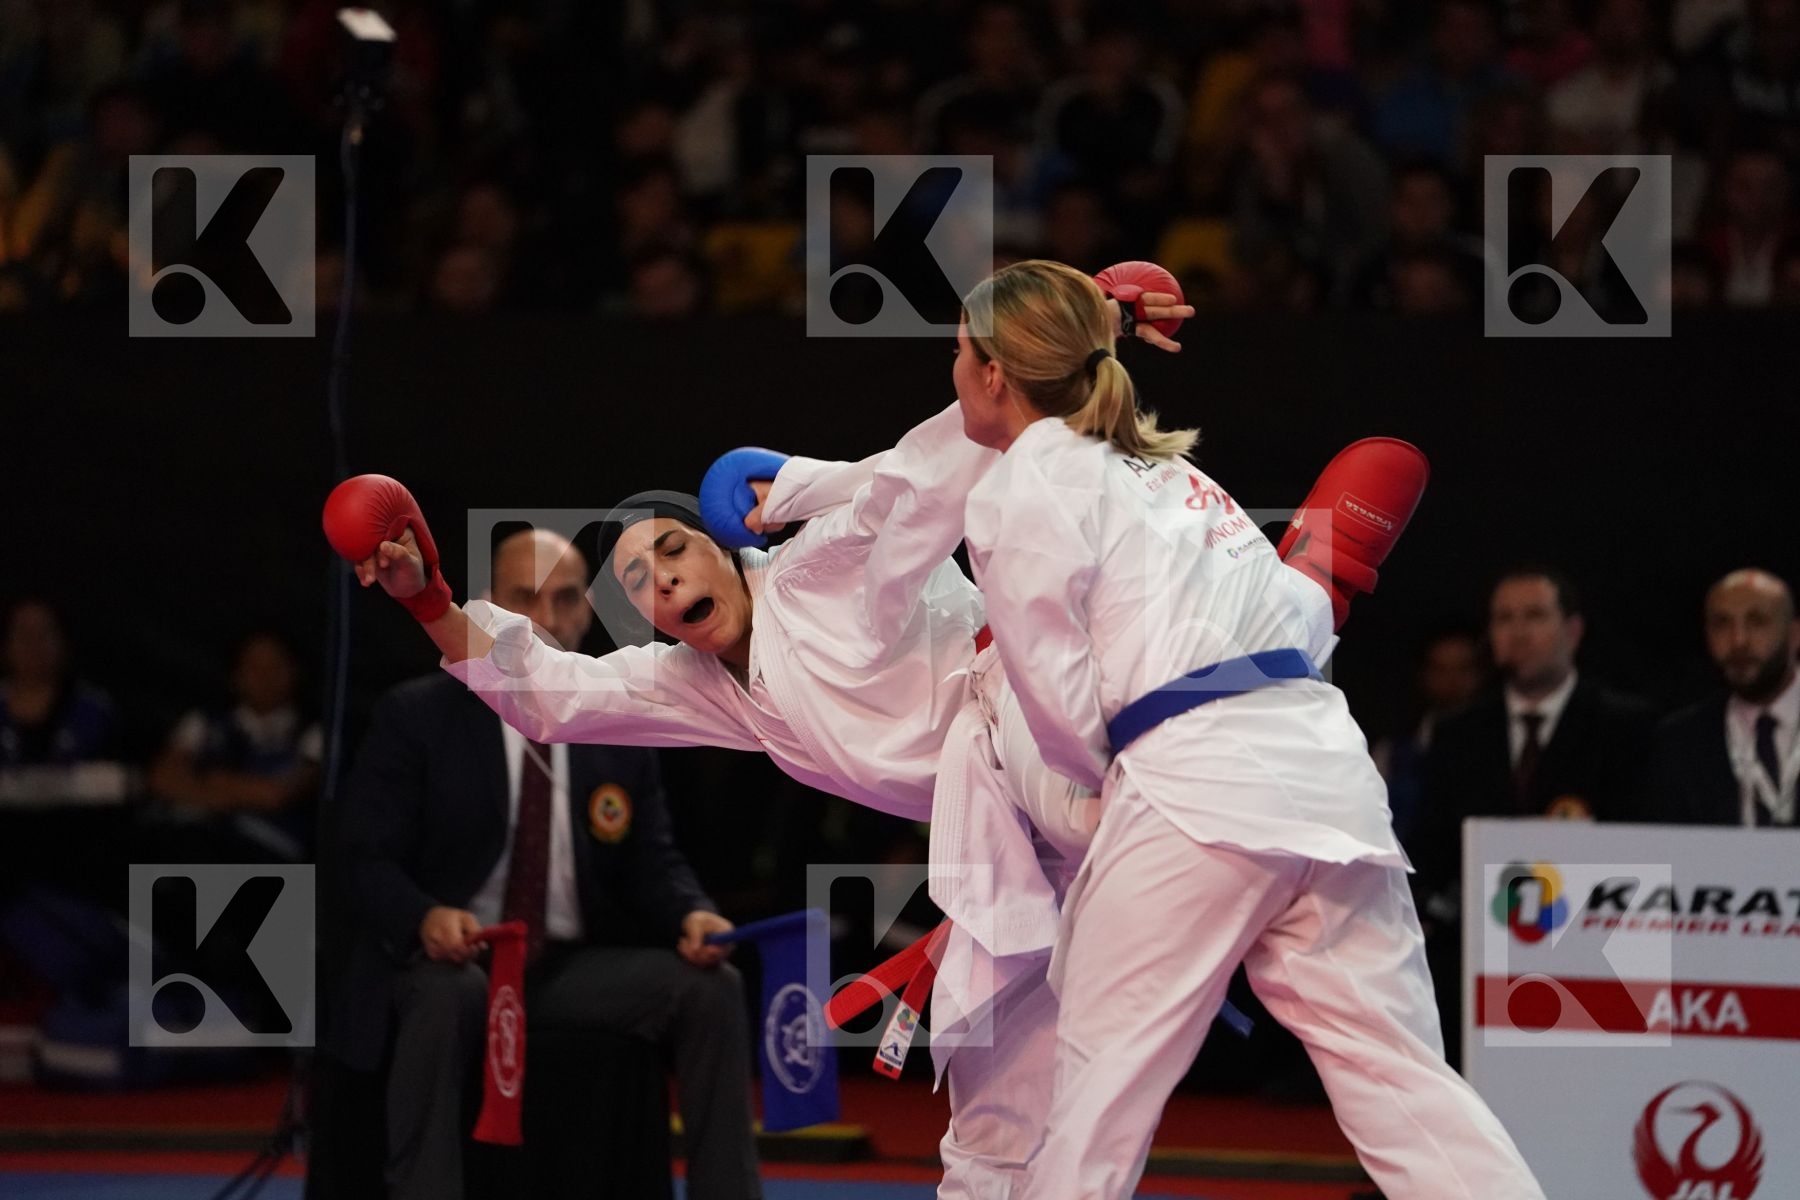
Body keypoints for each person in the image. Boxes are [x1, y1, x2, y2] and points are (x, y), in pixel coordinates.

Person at [946, 259, 1544, 1199]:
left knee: (1094, 1104)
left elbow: (1059, 711)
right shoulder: (1180, 475)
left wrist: (1099, 801)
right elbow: (1302, 627)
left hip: (1196, 793)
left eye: (958, 352)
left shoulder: (1019, 486)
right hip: (1331, 788)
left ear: (990, 373)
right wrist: (1327, 564)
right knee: (1406, 1086)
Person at [329, 528, 757, 1200]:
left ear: (586, 611)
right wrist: (424, 918)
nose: (548, 619)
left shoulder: (613, 715)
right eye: (526, 598)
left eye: (564, 600)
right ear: (489, 605)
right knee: (452, 994)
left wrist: (692, 912)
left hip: (562, 965)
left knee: (710, 988)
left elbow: (652, 859)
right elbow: (362, 859)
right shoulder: (418, 716)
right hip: (457, 960)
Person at [147, 630, 320, 862]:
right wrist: (223, 795)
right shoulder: (205, 722)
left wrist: (207, 779)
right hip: (190, 840)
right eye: (254, 668)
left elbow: (276, 795)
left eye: (275, 667)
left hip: (267, 854)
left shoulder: (312, 734)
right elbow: (163, 779)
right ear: (236, 675)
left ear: (294, 671)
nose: (265, 678)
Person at [1649, 568, 1800, 825]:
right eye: (1722, 624)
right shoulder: (1679, 742)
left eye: (1757, 621)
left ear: (1794, 634)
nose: (1738, 640)